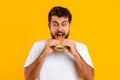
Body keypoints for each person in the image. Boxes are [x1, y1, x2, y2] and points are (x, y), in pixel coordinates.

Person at [24, 6, 94, 80]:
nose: (59, 29)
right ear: (49, 26)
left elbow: (90, 78)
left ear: (70, 26)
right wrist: (43, 54)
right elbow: (28, 78)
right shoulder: (38, 46)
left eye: (64, 24)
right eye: (55, 24)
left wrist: (76, 54)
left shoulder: (81, 47)